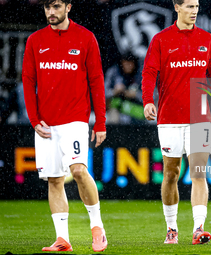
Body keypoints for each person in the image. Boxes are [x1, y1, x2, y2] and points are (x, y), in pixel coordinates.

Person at [142, 0, 211, 245]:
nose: (194, 11)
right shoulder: (161, 39)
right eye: (189, 6)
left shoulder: (206, 39)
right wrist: (147, 100)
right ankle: (172, 228)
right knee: (171, 174)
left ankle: (198, 229)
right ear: (177, 7)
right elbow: (149, 72)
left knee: (198, 172)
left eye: (196, 6)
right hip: (169, 118)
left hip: (199, 118)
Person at [22, 0, 107, 252]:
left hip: (75, 119)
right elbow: (27, 81)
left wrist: (100, 121)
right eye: (47, 7)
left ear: (68, 7)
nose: (51, 12)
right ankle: (62, 239)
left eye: (56, 6)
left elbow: (96, 80)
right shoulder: (35, 40)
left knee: (79, 171)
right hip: (46, 123)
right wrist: (34, 119)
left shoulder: (85, 37)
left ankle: (97, 226)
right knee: (54, 180)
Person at [104, 53, 144, 124]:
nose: (128, 66)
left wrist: (136, 94)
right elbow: (103, 93)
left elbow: (152, 96)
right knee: (114, 116)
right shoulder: (113, 72)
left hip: (136, 109)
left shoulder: (141, 75)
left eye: (130, 63)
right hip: (117, 107)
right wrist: (114, 91)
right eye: (125, 63)